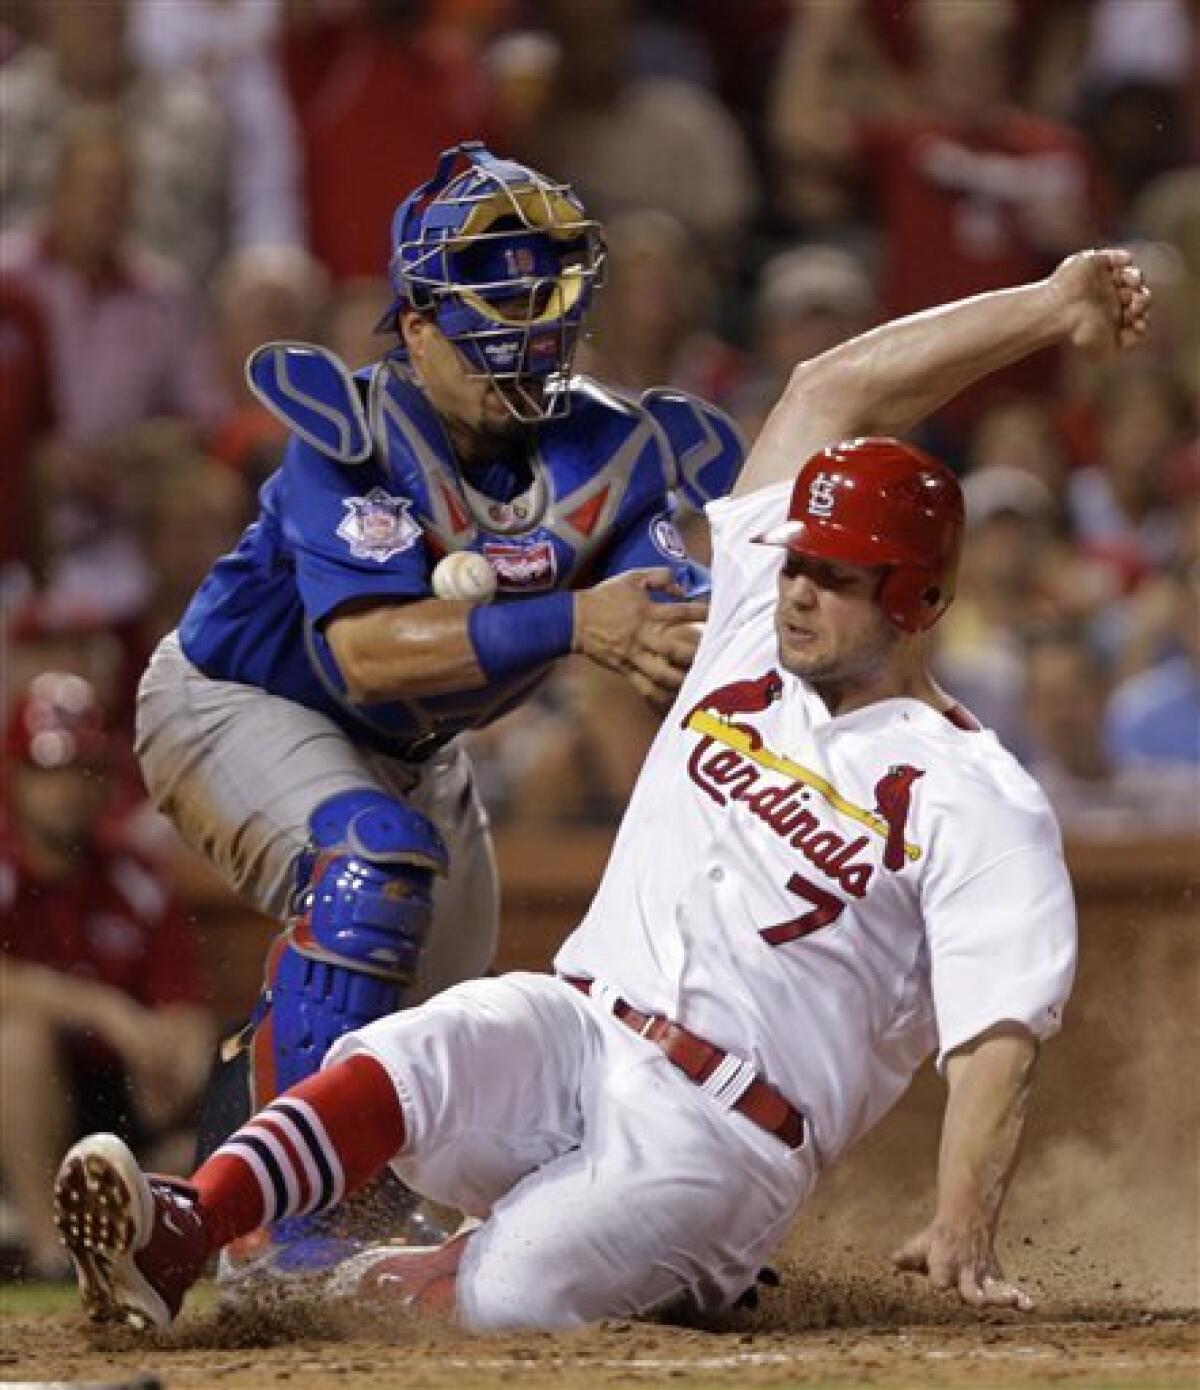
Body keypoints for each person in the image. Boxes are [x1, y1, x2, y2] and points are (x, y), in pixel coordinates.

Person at [53, 247, 1151, 1331]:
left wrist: (963, 1216)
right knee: (411, 1051)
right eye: (798, 560)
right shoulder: (742, 628)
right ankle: (187, 1226)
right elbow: (833, 388)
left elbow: (996, 1035)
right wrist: (1051, 306)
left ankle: (503, 1275)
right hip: (581, 1025)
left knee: (507, 1296)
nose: (796, 587)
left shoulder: (974, 792)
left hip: (725, 1135)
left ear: (913, 596)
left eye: (835, 574)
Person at [127, 141, 742, 1269]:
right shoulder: (346, 436)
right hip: (233, 702)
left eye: (543, 288)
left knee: (438, 1039)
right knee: (370, 861)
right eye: (496, 297)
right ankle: (284, 1234)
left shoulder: (615, 442)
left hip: (417, 751)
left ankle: (284, 1183)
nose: (529, 321)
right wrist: (573, 619)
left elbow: (675, 604)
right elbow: (365, 655)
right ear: (415, 328)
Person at [0, 673, 212, 1279]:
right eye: (49, 771)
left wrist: (176, 1060)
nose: (66, 789)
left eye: (83, 769)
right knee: (16, 1040)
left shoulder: (134, 874)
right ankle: (51, 1255)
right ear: (14, 776)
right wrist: (102, 1010)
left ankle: (168, 1251)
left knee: (206, 1118)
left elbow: (182, 1002)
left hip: (110, 1103)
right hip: (17, 1107)